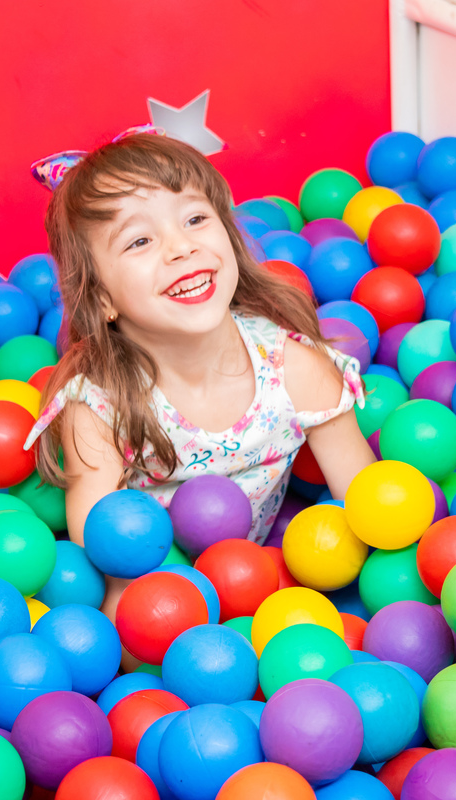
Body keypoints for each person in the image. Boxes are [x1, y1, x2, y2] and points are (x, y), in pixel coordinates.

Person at [24, 125, 376, 618]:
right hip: (159, 597)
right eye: (140, 240)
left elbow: (371, 506)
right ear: (101, 298)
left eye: (194, 218)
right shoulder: (100, 407)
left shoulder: (294, 366)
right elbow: (103, 551)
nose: (181, 247)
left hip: (275, 584)